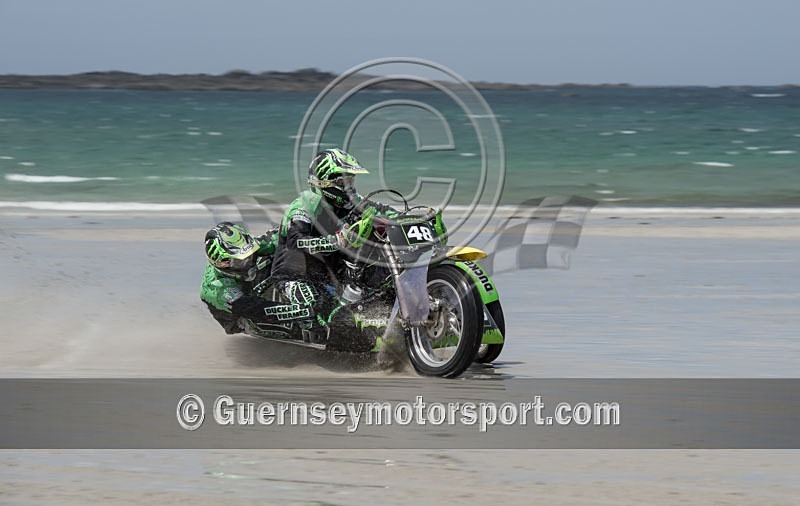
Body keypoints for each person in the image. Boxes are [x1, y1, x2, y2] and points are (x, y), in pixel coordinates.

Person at [269, 148, 396, 341]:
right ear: (324, 181)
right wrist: (335, 242)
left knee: (384, 276)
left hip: (333, 274)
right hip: (298, 275)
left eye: (351, 181)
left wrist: (410, 217)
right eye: (343, 182)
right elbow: (297, 241)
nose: (349, 186)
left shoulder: (353, 202)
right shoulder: (306, 203)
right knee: (318, 315)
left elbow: (383, 211)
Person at [200, 221, 297, 336]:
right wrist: (297, 311)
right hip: (237, 314)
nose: (247, 263)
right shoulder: (217, 288)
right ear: (222, 264)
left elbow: (281, 235)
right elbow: (254, 308)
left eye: (249, 255)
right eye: (238, 262)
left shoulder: (248, 247)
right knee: (253, 319)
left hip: (246, 289)